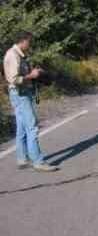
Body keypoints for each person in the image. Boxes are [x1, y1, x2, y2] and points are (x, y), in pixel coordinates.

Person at [3, 31, 57, 172]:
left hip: (20, 94)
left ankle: (22, 158)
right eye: (29, 41)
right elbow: (13, 79)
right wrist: (31, 75)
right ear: (23, 41)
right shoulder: (13, 55)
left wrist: (33, 72)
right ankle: (38, 161)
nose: (30, 44)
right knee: (32, 127)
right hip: (20, 94)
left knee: (22, 126)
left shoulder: (19, 54)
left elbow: (21, 73)